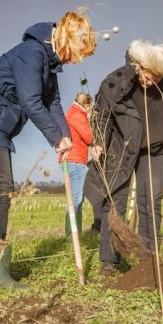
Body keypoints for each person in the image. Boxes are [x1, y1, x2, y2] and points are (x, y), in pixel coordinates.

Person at [0, 9, 97, 289]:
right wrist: (55, 139)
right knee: (1, 192)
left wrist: (66, 137)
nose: (73, 60)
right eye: (75, 53)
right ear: (67, 39)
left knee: (2, 192)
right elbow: (31, 102)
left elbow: (52, 103)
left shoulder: (49, 61)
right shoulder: (31, 53)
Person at [82, 38, 163, 276]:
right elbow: (101, 116)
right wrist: (99, 143)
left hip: (156, 149)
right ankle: (109, 261)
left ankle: (148, 259)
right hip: (121, 148)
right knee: (115, 204)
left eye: (157, 77)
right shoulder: (114, 83)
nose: (150, 80)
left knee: (151, 202)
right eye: (147, 74)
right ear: (138, 66)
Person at [58, 92, 102, 236]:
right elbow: (89, 138)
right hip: (75, 160)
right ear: (86, 104)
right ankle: (71, 235)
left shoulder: (73, 113)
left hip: (72, 159)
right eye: (90, 107)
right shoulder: (77, 115)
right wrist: (92, 122)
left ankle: (74, 233)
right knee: (75, 198)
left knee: (76, 197)